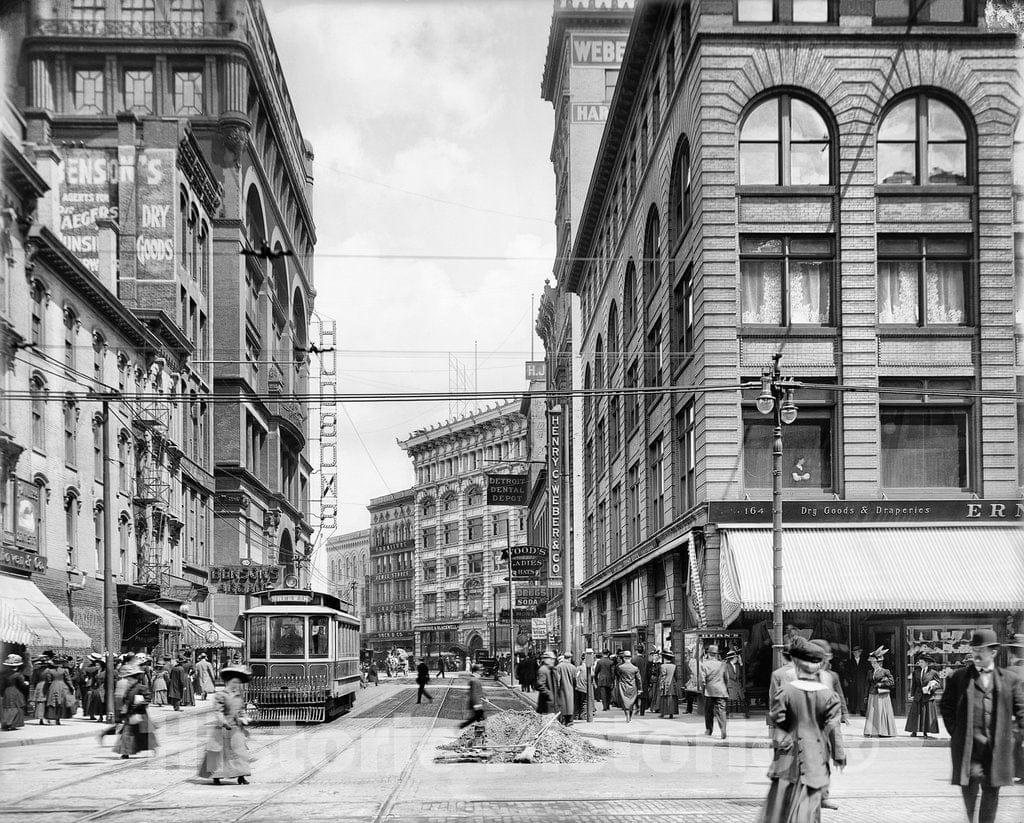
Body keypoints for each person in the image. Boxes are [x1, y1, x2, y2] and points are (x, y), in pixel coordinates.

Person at [940, 628, 1024, 823]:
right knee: (969, 795)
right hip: (968, 751)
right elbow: (946, 706)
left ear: (993, 652)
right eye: (974, 649)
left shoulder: (1009, 680)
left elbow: (1021, 711)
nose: (976, 654)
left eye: (981, 650)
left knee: (991, 795)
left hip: (996, 751)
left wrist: (1015, 736)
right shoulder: (958, 677)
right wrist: (957, 732)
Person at [758, 637, 846, 823]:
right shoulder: (829, 696)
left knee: (782, 806)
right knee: (810, 806)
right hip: (816, 756)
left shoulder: (787, 692)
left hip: (788, 757)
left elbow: (777, 717)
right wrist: (839, 756)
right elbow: (833, 728)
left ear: (797, 666)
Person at [199, 664, 252, 785]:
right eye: (234, 682)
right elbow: (218, 711)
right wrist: (223, 722)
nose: (236, 685)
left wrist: (245, 718)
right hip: (223, 728)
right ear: (228, 682)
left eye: (238, 683)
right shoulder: (221, 695)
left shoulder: (239, 696)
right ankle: (216, 776)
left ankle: (241, 776)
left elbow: (241, 710)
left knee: (239, 753)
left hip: (236, 728)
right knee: (218, 753)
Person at [113, 663, 157, 759]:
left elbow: (148, 698)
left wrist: (141, 703)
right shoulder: (128, 689)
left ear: (135, 678)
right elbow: (125, 700)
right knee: (127, 733)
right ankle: (126, 752)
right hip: (130, 713)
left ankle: (151, 747)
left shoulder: (141, 687)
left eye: (130, 678)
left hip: (140, 713)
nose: (128, 680)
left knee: (143, 734)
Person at [863, 648, 896, 737]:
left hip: (882, 694)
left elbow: (892, 683)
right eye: (872, 663)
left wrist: (881, 684)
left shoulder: (885, 671)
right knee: (872, 712)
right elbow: (867, 684)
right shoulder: (870, 672)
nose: (873, 665)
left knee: (881, 712)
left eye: (875, 663)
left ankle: (883, 731)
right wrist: (866, 696)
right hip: (872, 694)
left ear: (880, 663)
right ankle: (871, 731)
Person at [905, 654, 940, 738]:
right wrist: (912, 695)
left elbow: (938, 684)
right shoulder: (916, 672)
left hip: (927, 696)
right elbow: (914, 685)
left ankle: (925, 732)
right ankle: (914, 731)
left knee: (926, 714)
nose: (919, 663)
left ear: (927, 663)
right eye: (919, 662)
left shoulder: (933, 673)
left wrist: (931, 688)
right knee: (915, 714)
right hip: (918, 695)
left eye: (921, 662)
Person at [699, 645, 730, 739]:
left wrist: (703, 688)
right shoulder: (722, 664)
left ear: (708, 654)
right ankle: (723, 729)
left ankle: (709, 730)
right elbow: (727, 678)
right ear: (716, 655)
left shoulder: (704, 664)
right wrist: (724, 686)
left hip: (709, 691)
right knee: (721, 711)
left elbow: (702, 679)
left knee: (708, 711)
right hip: (721, 690)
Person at [44, 656, 75, 725]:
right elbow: (68, 679)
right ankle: (58, 719)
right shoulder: (65, 670)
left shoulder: (50, 671)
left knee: (53, 701)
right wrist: (71, 687)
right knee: (61, 702)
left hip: (53, 686)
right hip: (62, 686)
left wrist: (46, 688)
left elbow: (48, 681)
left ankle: (53, 717)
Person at [1, 654, 29, 731]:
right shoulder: (18, 675)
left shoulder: (4, 674)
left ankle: (5, 723)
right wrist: (26, 683)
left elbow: (2, 684)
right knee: (16, 707)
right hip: (15, 691)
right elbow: (22, 684)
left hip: (7, 691)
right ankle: (12, 724)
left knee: (7, 707)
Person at [841, 645, 871, 716]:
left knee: (862, 695)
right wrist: (850, 680)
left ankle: (862, 710)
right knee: (853, 695)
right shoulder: (850, 662)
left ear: (860, 653)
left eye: (857, 652)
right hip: (853, 681)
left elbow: (867, 671)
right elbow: (846, 672)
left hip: (862, 681)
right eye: (854, 652)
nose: (856, 654)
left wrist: (866, 680)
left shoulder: (864, 662)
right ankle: (853, 709)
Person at [614, 650, 643, 722]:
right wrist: (640, 689)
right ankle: (630, 716)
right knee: (631, 702)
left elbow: (617, 676)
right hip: (632, 686)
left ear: (624, 658)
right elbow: (639, 679)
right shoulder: (635, 668)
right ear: (630, 658)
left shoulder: (620, 667)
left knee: (625, 702)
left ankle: (627, 715)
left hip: (623, 686)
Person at [458, 664, 486, 729]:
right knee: (479, 718)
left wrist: (484, 698)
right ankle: (463, 726)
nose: (482, 672)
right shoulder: (474, 680)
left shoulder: (475, 679)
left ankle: (463, 726)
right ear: (476, 671)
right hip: (476, 704)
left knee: (478, 718)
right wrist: (477, 704)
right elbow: (473, 693)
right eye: (480, 670)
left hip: (477, 703)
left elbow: (479, 691)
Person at [553, 652, 577, 726]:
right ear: (570, 658)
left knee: (562, 704)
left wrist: (557, 689)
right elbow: (575, 679)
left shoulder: (558, 667)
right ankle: (569, 720)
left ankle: (563, 719)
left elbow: (557, 679)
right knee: (570, 703)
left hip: (562, 689)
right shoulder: (573, 667)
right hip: (570, 688)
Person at [83, 653, 108, 720]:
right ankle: (92, 714)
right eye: (96, 664)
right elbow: (86, 670)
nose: (96, 665)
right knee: (93, 701)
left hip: (102, 687)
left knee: (101, 702)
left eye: (98, 664)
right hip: (95, 687)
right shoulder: (94, 670)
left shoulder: (105, 672)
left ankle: (101, 716)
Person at [656, 651, 679, 719]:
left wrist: (661, 684)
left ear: (665, 658)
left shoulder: (663, 666)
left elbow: (663, 676)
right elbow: (676, 676)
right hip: (673, 683)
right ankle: (671, 713)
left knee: (664, 698)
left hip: (666, 683)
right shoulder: (674, 666)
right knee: (672, 698)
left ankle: (663, 713)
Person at [535, 650, 558, 715]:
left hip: (550, 702)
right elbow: (540, 685)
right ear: (546, 660)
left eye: (554, 659)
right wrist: (549, 694)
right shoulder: (543, 670)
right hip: (545, 703)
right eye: (552, 659)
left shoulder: (550, 669)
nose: (553, 661)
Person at [572, 655, 589, 720]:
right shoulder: (588, 668)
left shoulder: (578, 668)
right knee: (584, 702)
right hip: (584, 687)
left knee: (577, 702)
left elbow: (575, 677)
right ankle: (583, 715)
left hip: (577, 687)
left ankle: (576, 715)